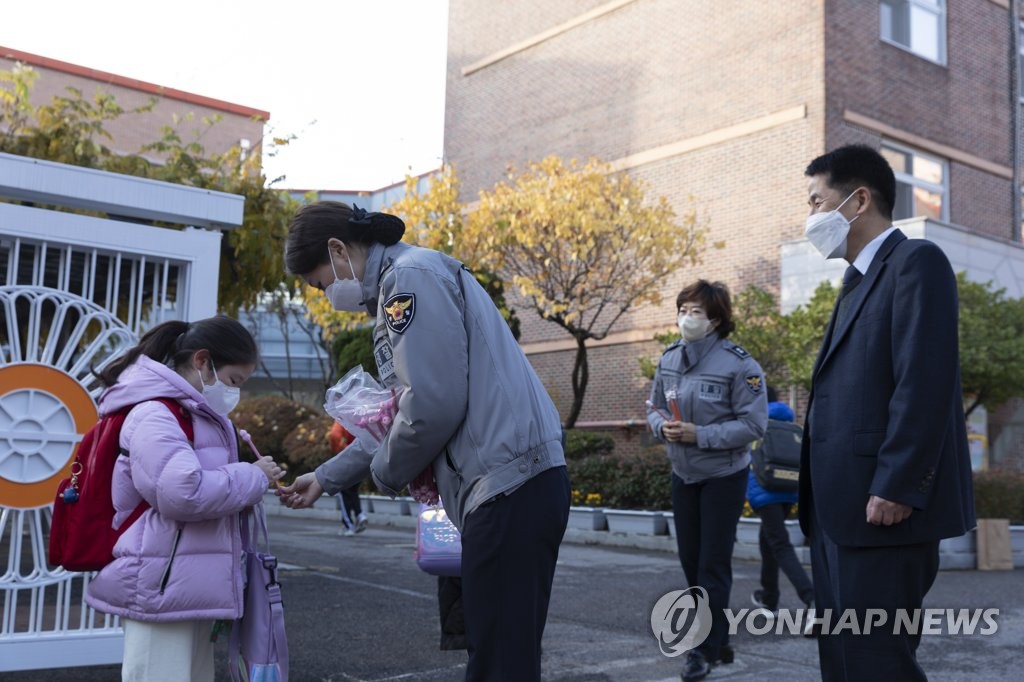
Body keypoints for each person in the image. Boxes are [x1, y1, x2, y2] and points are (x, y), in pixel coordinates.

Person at [278, 201, 570, 681]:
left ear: (337, 250)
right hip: (508, 482)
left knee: (500, 662)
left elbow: (431, 405)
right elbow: (402, 413)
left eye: (321, 282)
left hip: (507, 484)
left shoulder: (408, 280)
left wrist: (383, 473)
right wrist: (328, 478)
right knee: (499, 652)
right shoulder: (407, 280)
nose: (327, 293)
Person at [800, 144, 975, 681]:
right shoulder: (855, 281)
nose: (809, 217)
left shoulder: (915, 263)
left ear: (858, 200)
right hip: (839, 512)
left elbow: (924, 381)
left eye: (815, 201)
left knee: (876, 662)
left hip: (883, 509)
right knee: (844, 660)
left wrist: (899, 483)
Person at [84, 316, 285, 682]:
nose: (234, 393)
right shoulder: (155, 414)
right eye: (233, 381)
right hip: (161, 584)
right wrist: (252, 476)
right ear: (202, 361)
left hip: (183, 583)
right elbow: (183, 493)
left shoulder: (190, 413)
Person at [646, 280, 768, 682]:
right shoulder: (669, 359)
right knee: (690, 562)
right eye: (683, 309)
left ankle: (702, 651)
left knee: (711, 566)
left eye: (696, 311)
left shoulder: (740, 365)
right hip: (684, 473)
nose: (686, 317)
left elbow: (753, 424)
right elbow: (655, 409)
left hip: (723, 475)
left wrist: (701, 435)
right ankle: (722, 640)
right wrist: (662, 430)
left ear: (715, 319)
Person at [746, 386, 815, 634]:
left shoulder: (756, 421)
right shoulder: (788, 421)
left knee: (780, 544)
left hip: (765, 490)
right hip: (788, 487)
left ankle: (812, 599)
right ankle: (770, 598)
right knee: (768, 540)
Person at [327, 421, 368, 535]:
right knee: (353, 492)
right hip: (361, 460)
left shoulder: (342, 420)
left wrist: (343, 452)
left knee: (344, 492)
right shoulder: (359, 417)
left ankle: (348, 525)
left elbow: (334, 435)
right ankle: (359, 514)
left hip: (347, 461)